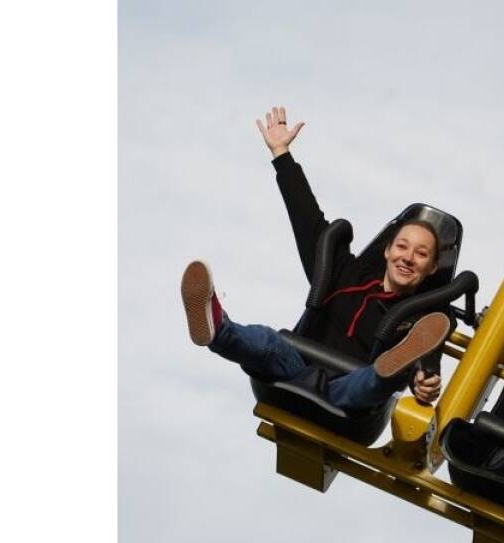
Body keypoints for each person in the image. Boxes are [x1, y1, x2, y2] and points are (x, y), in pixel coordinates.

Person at [180, 105, 451, 411]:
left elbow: (430, 357)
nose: (408, 257)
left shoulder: (420, 317)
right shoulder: (344, 272)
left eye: (421, 253)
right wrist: (282, 155)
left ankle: (391, 371)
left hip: (347, 397)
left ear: (431, 269)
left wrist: (424, 382)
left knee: (373, 378)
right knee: (269, 342)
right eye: (403, 246)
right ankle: (216, 326)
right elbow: (307, 218)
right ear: (387, 250)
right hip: (295, 369)